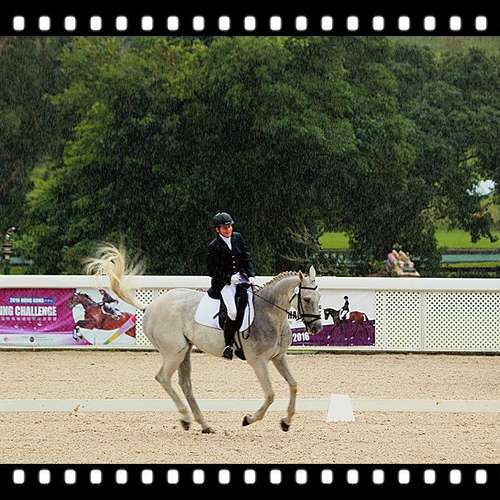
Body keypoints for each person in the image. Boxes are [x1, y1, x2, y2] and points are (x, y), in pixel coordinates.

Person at [207, 212, 256, 360]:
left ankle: (242, 343)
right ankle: (228, 345)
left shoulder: (237, 237)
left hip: (241, 278)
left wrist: (251, 274)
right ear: (218, 230)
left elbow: (246, 257)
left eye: (229, 226)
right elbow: (212, 271)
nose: (228, 229)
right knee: (233, 312)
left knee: (249, 303)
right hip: (224, 283)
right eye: (224, 227)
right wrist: (229, 277)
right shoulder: (214, 246)